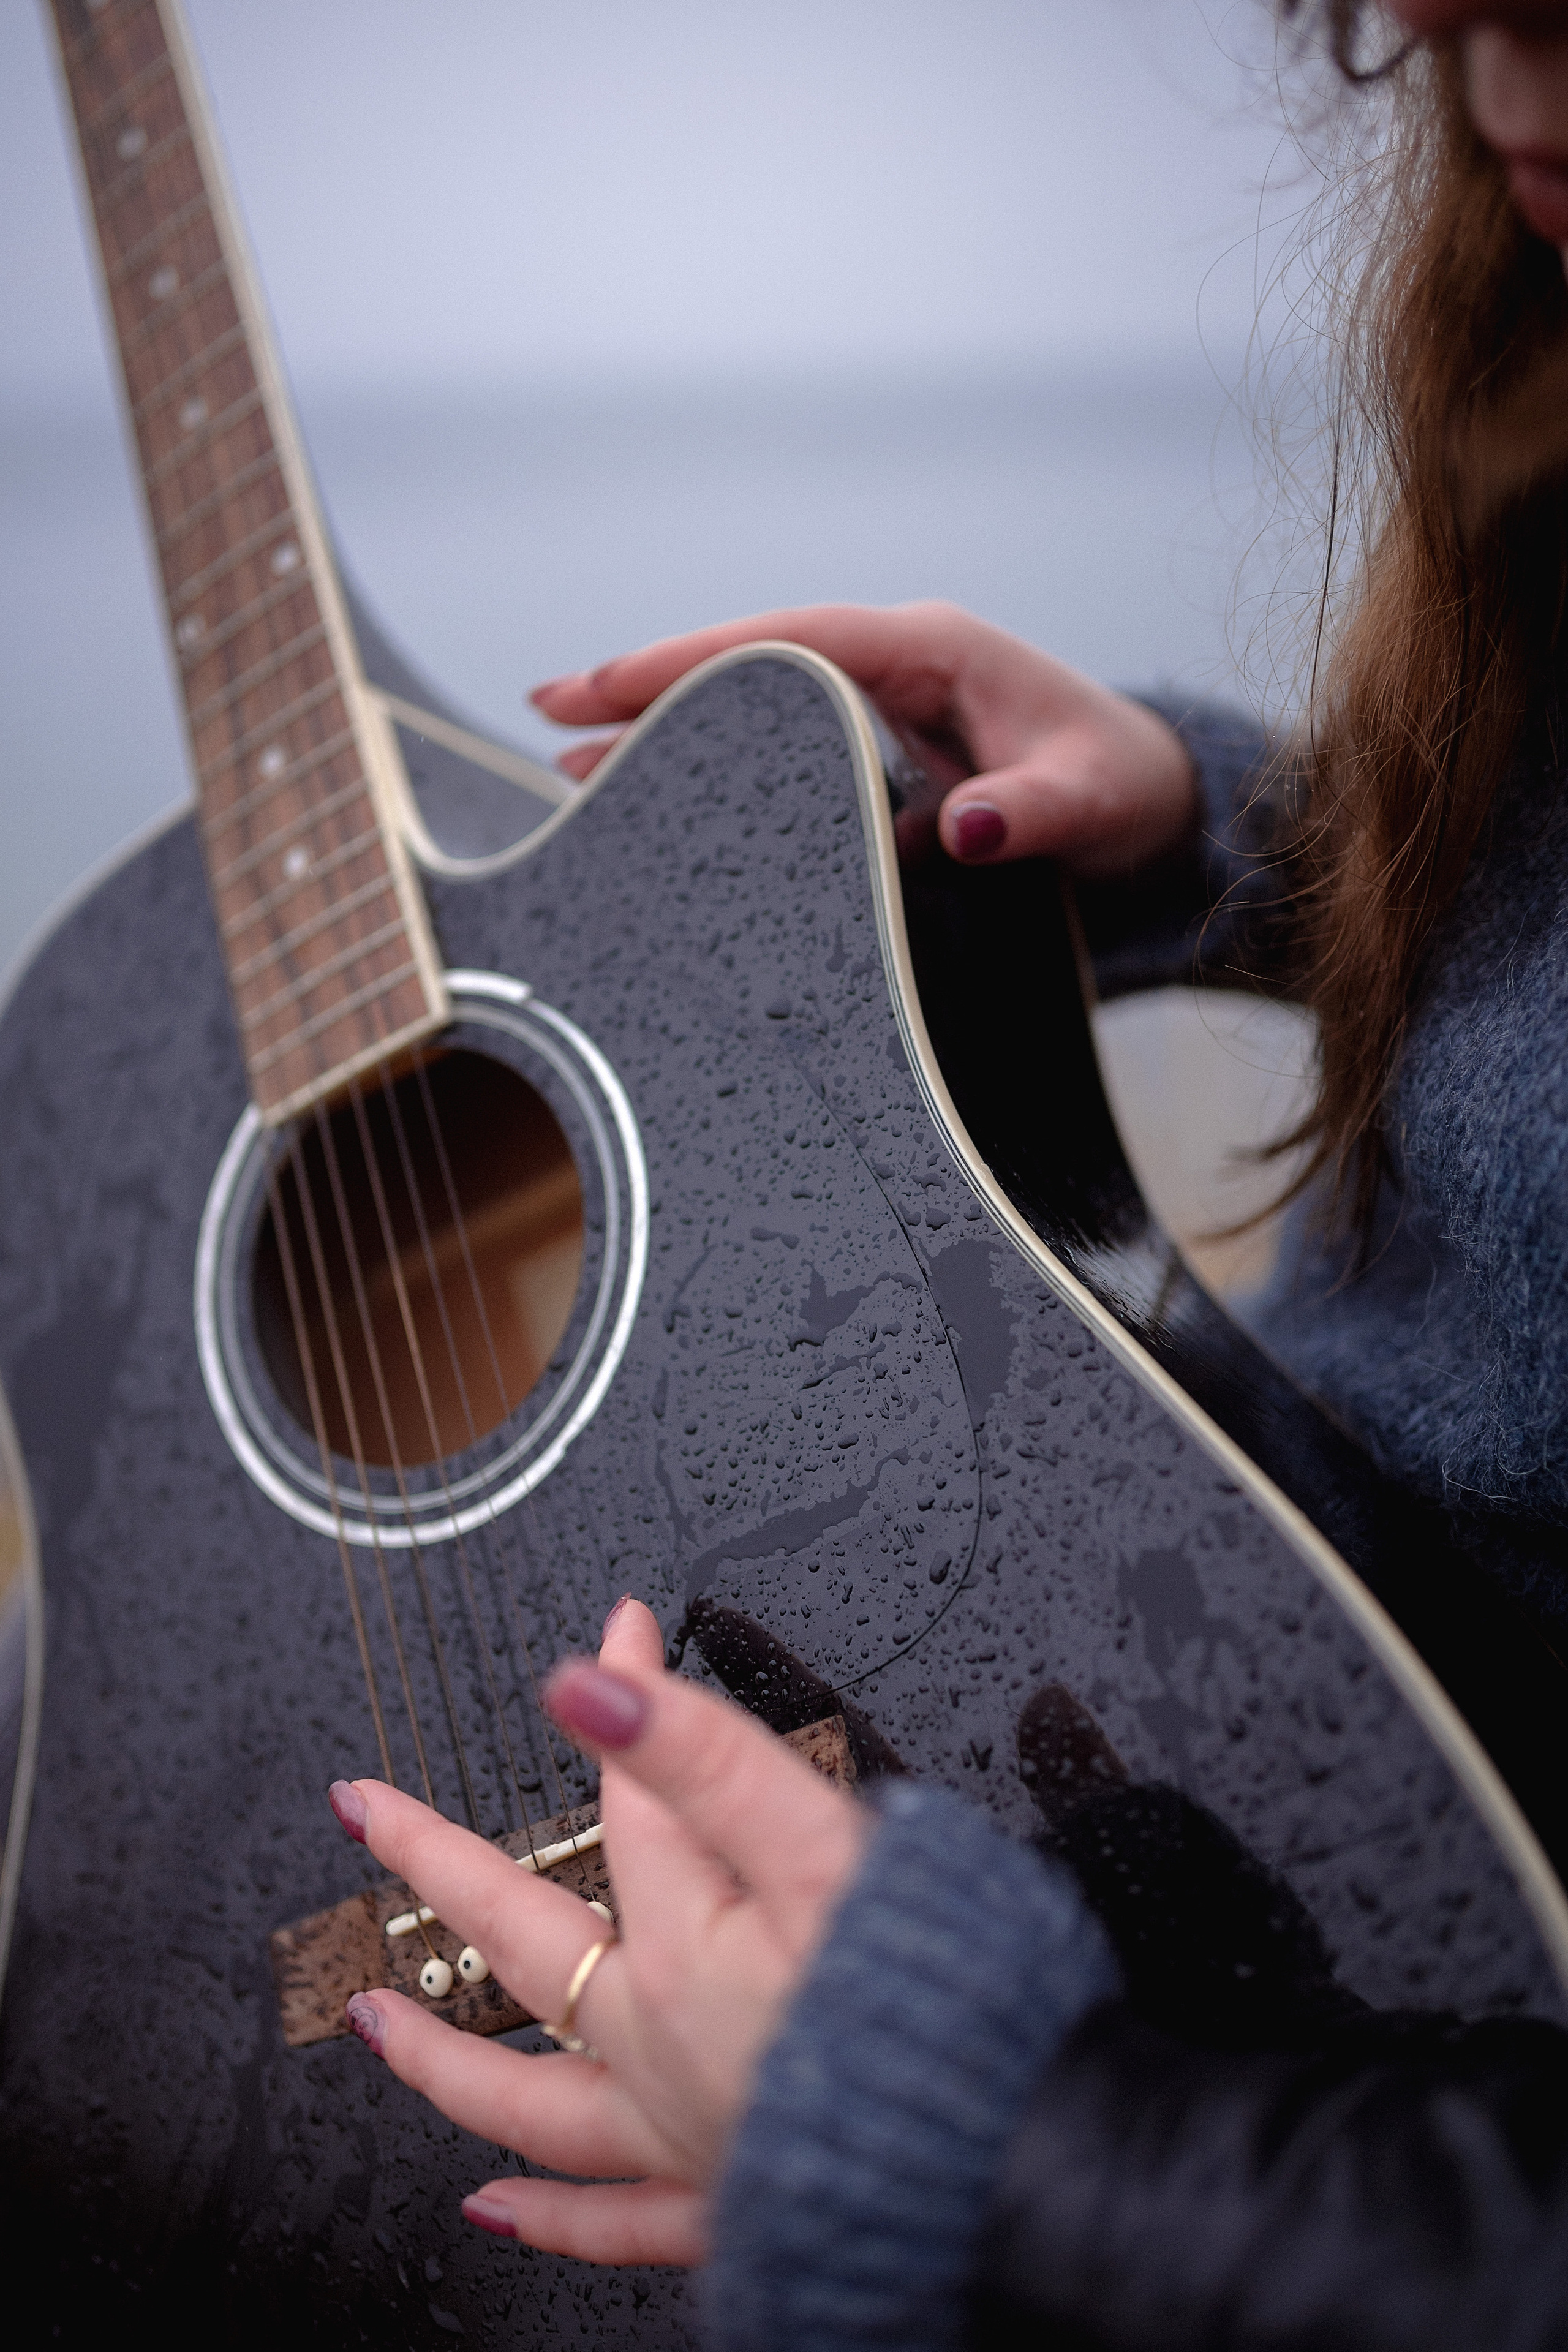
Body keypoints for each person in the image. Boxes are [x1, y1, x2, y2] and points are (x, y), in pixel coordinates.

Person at [328, 3, 1568, 2343]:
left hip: (1329, 1995)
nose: (1458, 56)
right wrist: (1237, 835)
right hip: (1228, 1591)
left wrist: (997, 2134)